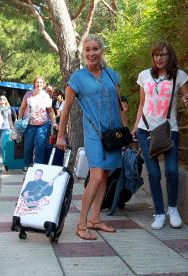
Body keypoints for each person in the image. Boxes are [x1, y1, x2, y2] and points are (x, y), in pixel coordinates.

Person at [57, 34, 127, 240]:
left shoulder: (112, 75)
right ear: (83, 53)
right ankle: (81, 225)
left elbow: (120, 104)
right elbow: (66, 109)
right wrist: (61, 135)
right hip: (95, 135)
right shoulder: (77, 79)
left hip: (112, 135)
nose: (91, 53)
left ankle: (95, 219)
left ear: (101, 50)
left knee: (104, 175)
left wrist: (125, 129)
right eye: (87, 50)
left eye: (95, 49)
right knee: (96, 177)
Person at [131, 41, 188, 230]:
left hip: (169, 129)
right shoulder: (144, 75)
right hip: (146, 130)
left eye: (163, 55)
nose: (159, 58)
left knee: (172, 170)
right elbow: (142, 104)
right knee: (154, 173)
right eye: (156, 55)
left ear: (170, 56)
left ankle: (172, 209)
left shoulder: (179, 76)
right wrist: (135, 128)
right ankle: (158, 212)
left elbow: (187, 101)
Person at [18, 76, 58, 172]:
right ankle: (27, 165)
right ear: (34, 83)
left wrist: (54, 123)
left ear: (43, 84)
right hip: (30, 124)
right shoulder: (28, 94)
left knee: (40, 147)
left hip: (42, 125)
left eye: (41, 82)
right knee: (28, 147)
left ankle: (38, 167)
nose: (39, 84)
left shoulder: (46, 96)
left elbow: (50, 111)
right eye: (37, 82)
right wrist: (18, 120)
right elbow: (22, 108)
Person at [0, 95, 14, 161]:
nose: (2, 100)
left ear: (6, 101)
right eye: (1, 99)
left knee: (2, 141)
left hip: (6, 127)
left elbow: (10, 119)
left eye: (3, 99)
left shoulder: (8, 108)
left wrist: (12, 128)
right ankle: (0, 155)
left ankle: (2, 156)